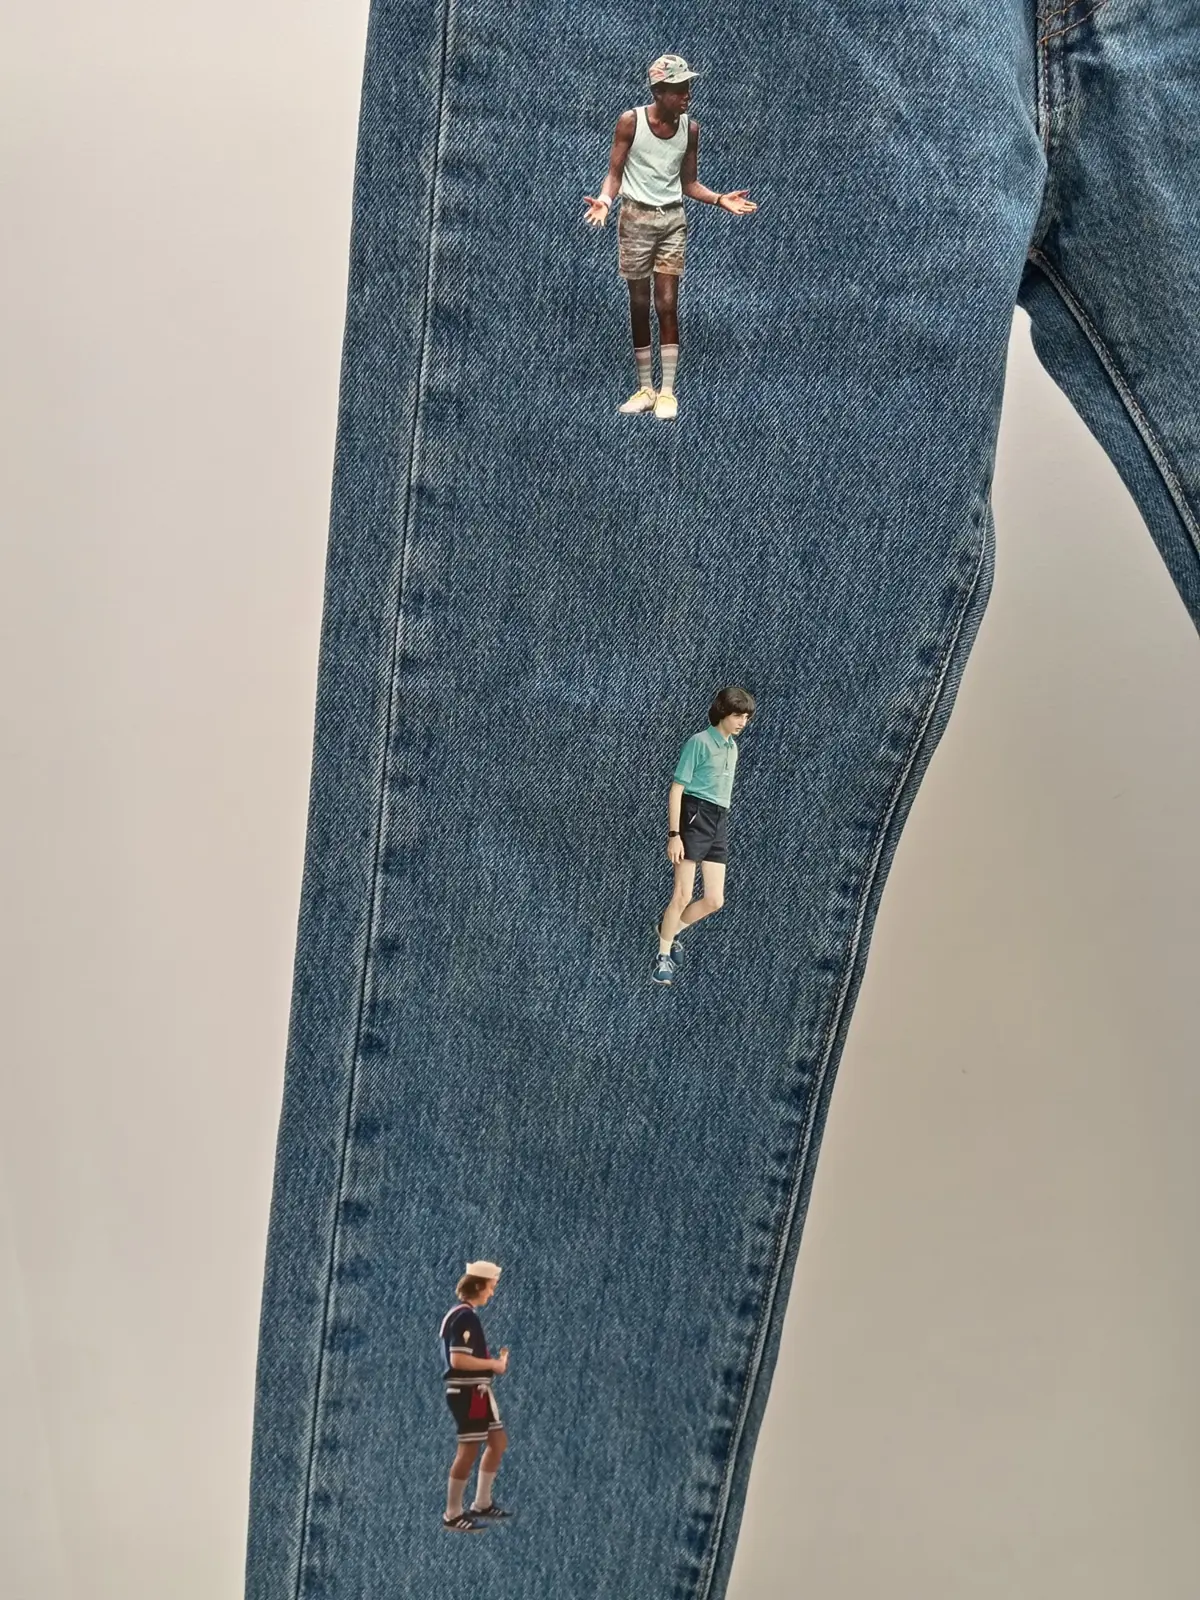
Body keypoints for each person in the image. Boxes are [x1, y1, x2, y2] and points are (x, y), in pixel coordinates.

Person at [583, 53, 758, 419]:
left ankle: (667, 391)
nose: (686, 95)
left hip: (672, 220)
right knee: (638, 303)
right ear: (659, 91)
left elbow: (689, 183)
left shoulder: (690, 130)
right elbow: (614, 173)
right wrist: (605, 201)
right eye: (679, 89)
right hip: (635, 218)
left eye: (688, 88)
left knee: (666, 302)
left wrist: (719, 199)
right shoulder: (631, 122)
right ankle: (645, 387)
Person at [653, 686, 756, 986]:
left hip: (718, 820)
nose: (742, 722)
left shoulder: (732, 748)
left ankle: (669, 929)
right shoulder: (698, 742)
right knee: (683, 894)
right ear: (723, 712)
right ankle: (663, 955)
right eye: (737, 716)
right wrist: (674, 834)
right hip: (694, 815)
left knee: (714, 899)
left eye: (746, 718)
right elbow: (677, 789)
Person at [438, 1260, 511, 1531]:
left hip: (477, 1390)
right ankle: (453, 1513)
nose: (491, 1293)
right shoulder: (465, 1317)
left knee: (497, 1441)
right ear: (478, 1286)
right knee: (468, 1450)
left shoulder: (460, 1315)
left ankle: (481, 1502)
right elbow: (458, 1359)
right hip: (469, 1392)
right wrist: (493, 1364)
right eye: (490, 1287)